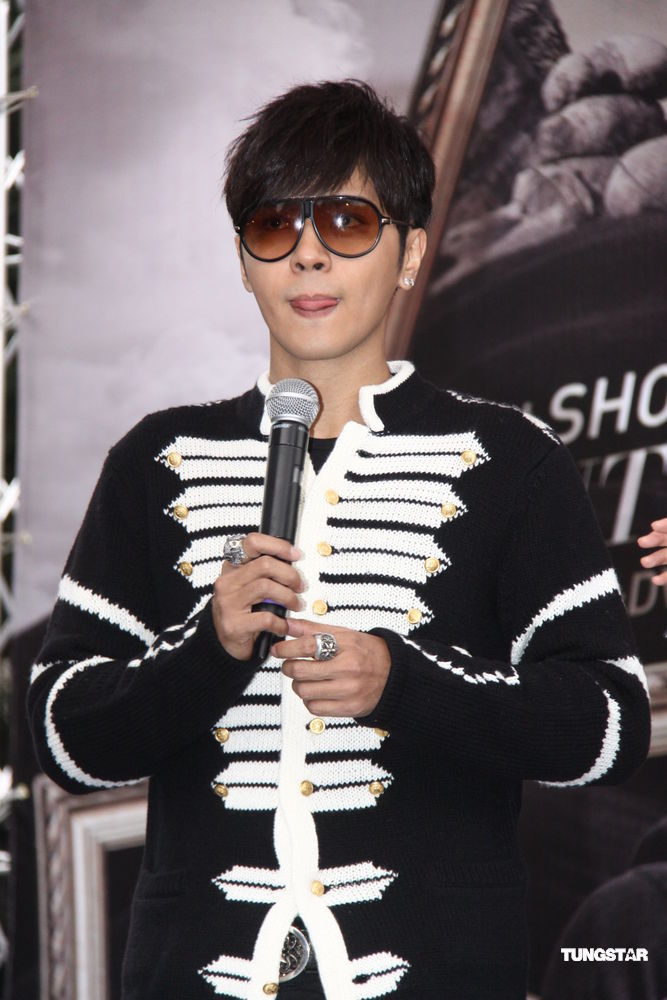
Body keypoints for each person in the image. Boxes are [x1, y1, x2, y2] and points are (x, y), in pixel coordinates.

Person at [27, 80, 650, 1000]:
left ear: (410, 254)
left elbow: (608, 725)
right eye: (275, 225)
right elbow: (63, 734)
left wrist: (402, 682)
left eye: (348, 223)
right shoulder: (154, 462)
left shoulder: (512, 460)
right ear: (244, 261)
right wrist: (207, 651)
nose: (308, 255)